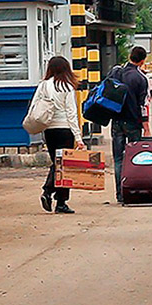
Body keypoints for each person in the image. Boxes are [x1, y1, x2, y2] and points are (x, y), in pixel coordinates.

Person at [38, 56, 85, 215]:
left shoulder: (43, 86)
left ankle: (50, 193)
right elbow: (72, 114)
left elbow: (36, 106)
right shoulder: (67, 87)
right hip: (64, 130)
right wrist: (78, 138)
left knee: (57, 163)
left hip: (49, 130)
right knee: (63, 166)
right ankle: (58, 199)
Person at [112, 46, 151, 204]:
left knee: (118, 159)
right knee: (134, 157)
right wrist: (146, 127)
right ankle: (132, 190)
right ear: (142, 61)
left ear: (130, 56)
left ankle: (119, 194)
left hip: (116, 121)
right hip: (133, 123)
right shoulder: (140, 78)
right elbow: (142, 105)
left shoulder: (117, 72)